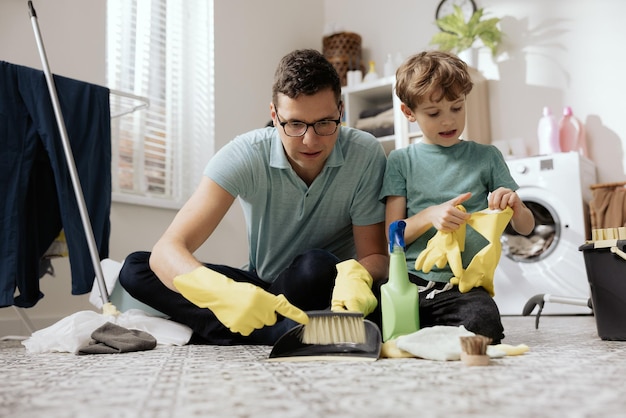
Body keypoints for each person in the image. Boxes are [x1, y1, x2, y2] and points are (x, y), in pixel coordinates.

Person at [118, 49, 389, 345]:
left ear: (341, 111)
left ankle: (224, 331)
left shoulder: (364, 154)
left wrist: (357, 277)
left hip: (326, 286)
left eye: (325, 123)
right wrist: (221, 294)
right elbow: (168, 249)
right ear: (274, 115)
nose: (310, 140)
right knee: (136, 268)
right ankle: (281, 331)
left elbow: (374, 256)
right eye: (295, 124)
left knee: (318, 265)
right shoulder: (245, 154)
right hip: (262, 287)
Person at [379, 50, 535, 343]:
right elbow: (392, 239)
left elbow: (526, 228)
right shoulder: (401, 161)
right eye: (434, 113)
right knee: (370, 319)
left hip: (463, 285)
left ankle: (427, 335)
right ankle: (428, 333)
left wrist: (515, 205)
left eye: (457, 108)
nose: (448, 121)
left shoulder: (486, 157)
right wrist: (429, 216)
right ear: (408, 113)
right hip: (409, 282)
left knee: (484, 323)